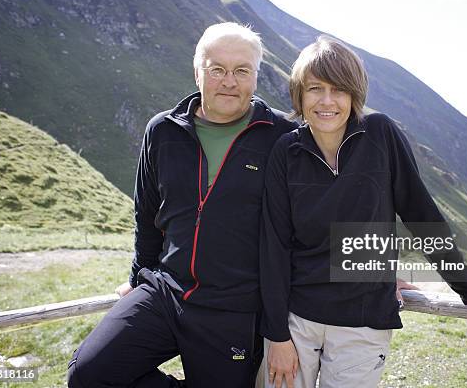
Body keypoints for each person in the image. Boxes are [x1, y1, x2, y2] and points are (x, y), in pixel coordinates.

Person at [259, 36, 467, 388]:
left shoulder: (380, 134)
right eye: (314, 89)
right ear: (299, 94)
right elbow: (274, 245)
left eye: (338, 90)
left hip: (365, 321)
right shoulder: (286, 151)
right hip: (297, 321)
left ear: (354, 94)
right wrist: (277, 335)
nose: (326, 101)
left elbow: (422, 216)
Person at [67, 22, 297, 388]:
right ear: (197, 72)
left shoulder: (284, 137)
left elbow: (335, 206)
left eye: (241, 70)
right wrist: (136, 278)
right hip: (165, 292)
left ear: (256, 76)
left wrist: (377, 268)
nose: (229, 81)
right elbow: (147, 216)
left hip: (235, 310)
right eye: (217, 69)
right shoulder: (162, 130)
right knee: (89, 374)